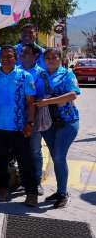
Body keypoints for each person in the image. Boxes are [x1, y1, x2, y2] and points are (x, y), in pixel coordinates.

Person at [0, 46, 38, 206]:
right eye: (3, 57)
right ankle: (2, 188)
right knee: (0, 161)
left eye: (9, 56)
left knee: (25, 161)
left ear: (16, 58)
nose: (5, 59)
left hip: (19, 128)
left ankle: (32, 192)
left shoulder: (25, 77)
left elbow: (30, 102)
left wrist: (30, 123)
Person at [38, 48, 81, 208]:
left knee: (59, 157)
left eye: (54, 57)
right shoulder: (40, 75)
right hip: (47, 123)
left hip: (67, 122)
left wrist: (47, 101)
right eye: (47, 57)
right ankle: (59, 190)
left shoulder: (67, 74)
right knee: (55, 156)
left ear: (60, 59)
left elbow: (72, 95)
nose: (50, 60)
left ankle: (63, 193)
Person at [19, 43, 47, 195]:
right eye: (21, 53)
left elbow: (39, 99)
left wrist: (32, 120)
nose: (22, 56)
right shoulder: (16, 71)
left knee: (35, 150)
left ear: (36, 56)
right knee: (21, 152)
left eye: (26, 53)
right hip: (16, 118)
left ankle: (36, 183)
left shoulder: (41, 74)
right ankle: (24, 182)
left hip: (34, 118)